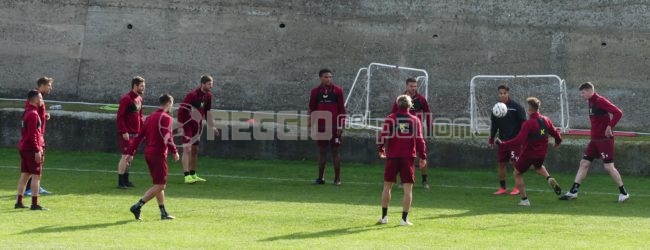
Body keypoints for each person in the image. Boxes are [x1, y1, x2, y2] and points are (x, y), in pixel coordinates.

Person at [559, 82, 629, 202]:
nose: (581, 95)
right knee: (584, 163)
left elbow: (618, 112)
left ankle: (624, 193)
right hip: (594, 140)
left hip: (604, 140)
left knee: (608, 167)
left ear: (590, 90)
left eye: (583, 92)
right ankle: (573, 192)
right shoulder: (591, 102)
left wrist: (609, 127)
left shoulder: (600, 100)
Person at [497, 97, 562, 206]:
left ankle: (524, 200)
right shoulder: (546, 120)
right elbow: (555, 132)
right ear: (538, 108)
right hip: (541, 154)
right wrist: (558, 141)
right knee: (539, 167)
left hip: (528, 154)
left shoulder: (528, 124)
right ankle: (549, 178)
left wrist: (503, 144)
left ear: (529, 110)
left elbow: (518, 140)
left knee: (517, 173)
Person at [127, 94, 180, 220]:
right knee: (161, 185)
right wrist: (175, 151)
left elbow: (139, 137)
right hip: (158, 154)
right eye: (172, 104)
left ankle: (163, 212)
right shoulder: (166, 118)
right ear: (168, 103)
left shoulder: (150, 117)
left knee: (158, 183)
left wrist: (130, 153)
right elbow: (168, 137)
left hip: (149, 153)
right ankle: (138, 206)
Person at [377, 95, 427, 226]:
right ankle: (404, 220)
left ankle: (384, 217)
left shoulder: (390, 119)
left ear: (397, 104)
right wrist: (423, 156)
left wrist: (381, 148)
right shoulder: (415, 120)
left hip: (393, 156)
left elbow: (382, 135)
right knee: (408, 190)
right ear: (410, 106)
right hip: (408, 158)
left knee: (387, 187)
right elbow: (420, 140)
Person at [390, 77, 433, 189]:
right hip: (403, 129)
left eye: (415, 86)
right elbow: (393, 114)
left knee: (421, 153)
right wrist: (393, 129)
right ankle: (403, 180)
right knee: (404, 155)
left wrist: (430, 129)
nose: (413, 88)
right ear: (406, 86)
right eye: (411, 86)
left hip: (417, 127)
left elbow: (428, 114)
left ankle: (424, 180)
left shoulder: (421, 99)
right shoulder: (400, 99)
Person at [177, 75, 219, 184]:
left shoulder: (208, 96)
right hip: (187, 125)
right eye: (209, 84)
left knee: (195, 150)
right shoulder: (192, 95)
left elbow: (207, 112)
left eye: (212, 84)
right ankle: (186, 176)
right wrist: (180, 126)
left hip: (197, 126)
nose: (211, 86)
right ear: (202, 84)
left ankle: (193, 174)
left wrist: (212, 126)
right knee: (187, 149)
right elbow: (181, 110)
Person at [308, 68, 346, 185]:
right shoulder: (315, 92)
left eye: (330, 77)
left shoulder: (337, 91)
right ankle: (320, 178)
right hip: (321, 126)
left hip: (334, 126)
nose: (328, 79)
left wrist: (341, 124)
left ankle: (337, 178)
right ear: (320, 78)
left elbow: (342, 110)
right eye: (326, 77)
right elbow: (312, 109)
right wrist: (311, 123)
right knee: (322, 151)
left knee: (335, 151)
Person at [488, 85, 526, 195]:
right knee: (501, 164)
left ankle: (517, 187)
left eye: (504, 93)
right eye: (500, 93)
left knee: (516, 164)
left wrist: (523, 138)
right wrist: (491, 138)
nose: (502, 95)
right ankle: (502, 188)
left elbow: (523, 123)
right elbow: (494, 125)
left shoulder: (516, 107)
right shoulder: (496, 108)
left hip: (515, 141)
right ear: (498, 94)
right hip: (502, 141)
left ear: (508, 93)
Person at [15, 90, 47, 210]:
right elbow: (33, 134)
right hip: (31, 149)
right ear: (35, 99)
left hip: (24, 147)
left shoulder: (27, 112)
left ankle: (19, 201)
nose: (42, 100)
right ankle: (34, 204)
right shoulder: (33, 114)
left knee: (25, 175)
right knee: (36, 175)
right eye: (40, 98)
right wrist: (37, 150)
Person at [24, 76, 53, 196]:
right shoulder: (35, 97)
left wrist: (44, 116)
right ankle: (29, 189)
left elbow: (36, 114)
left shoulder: (39, 99)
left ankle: (35, 187)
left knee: (38, 163)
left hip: (39, 135)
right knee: (34, 162)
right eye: (49, 86)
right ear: (42, 85)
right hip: (36, 136)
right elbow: (30, 114)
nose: (50, 88)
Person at [116, 76, 145, 189]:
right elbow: (120, 117)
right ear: (135, 86)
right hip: (127, 134)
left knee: (130, 157)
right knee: (125, 156)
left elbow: (140, 116)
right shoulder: (126, 99)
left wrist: (142, 131)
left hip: (135, 134)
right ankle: (120, 181)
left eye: (144, 86)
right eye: (141, 86)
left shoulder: (139, 99)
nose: (143, 88)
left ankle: (126, 180)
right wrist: (124, 131)